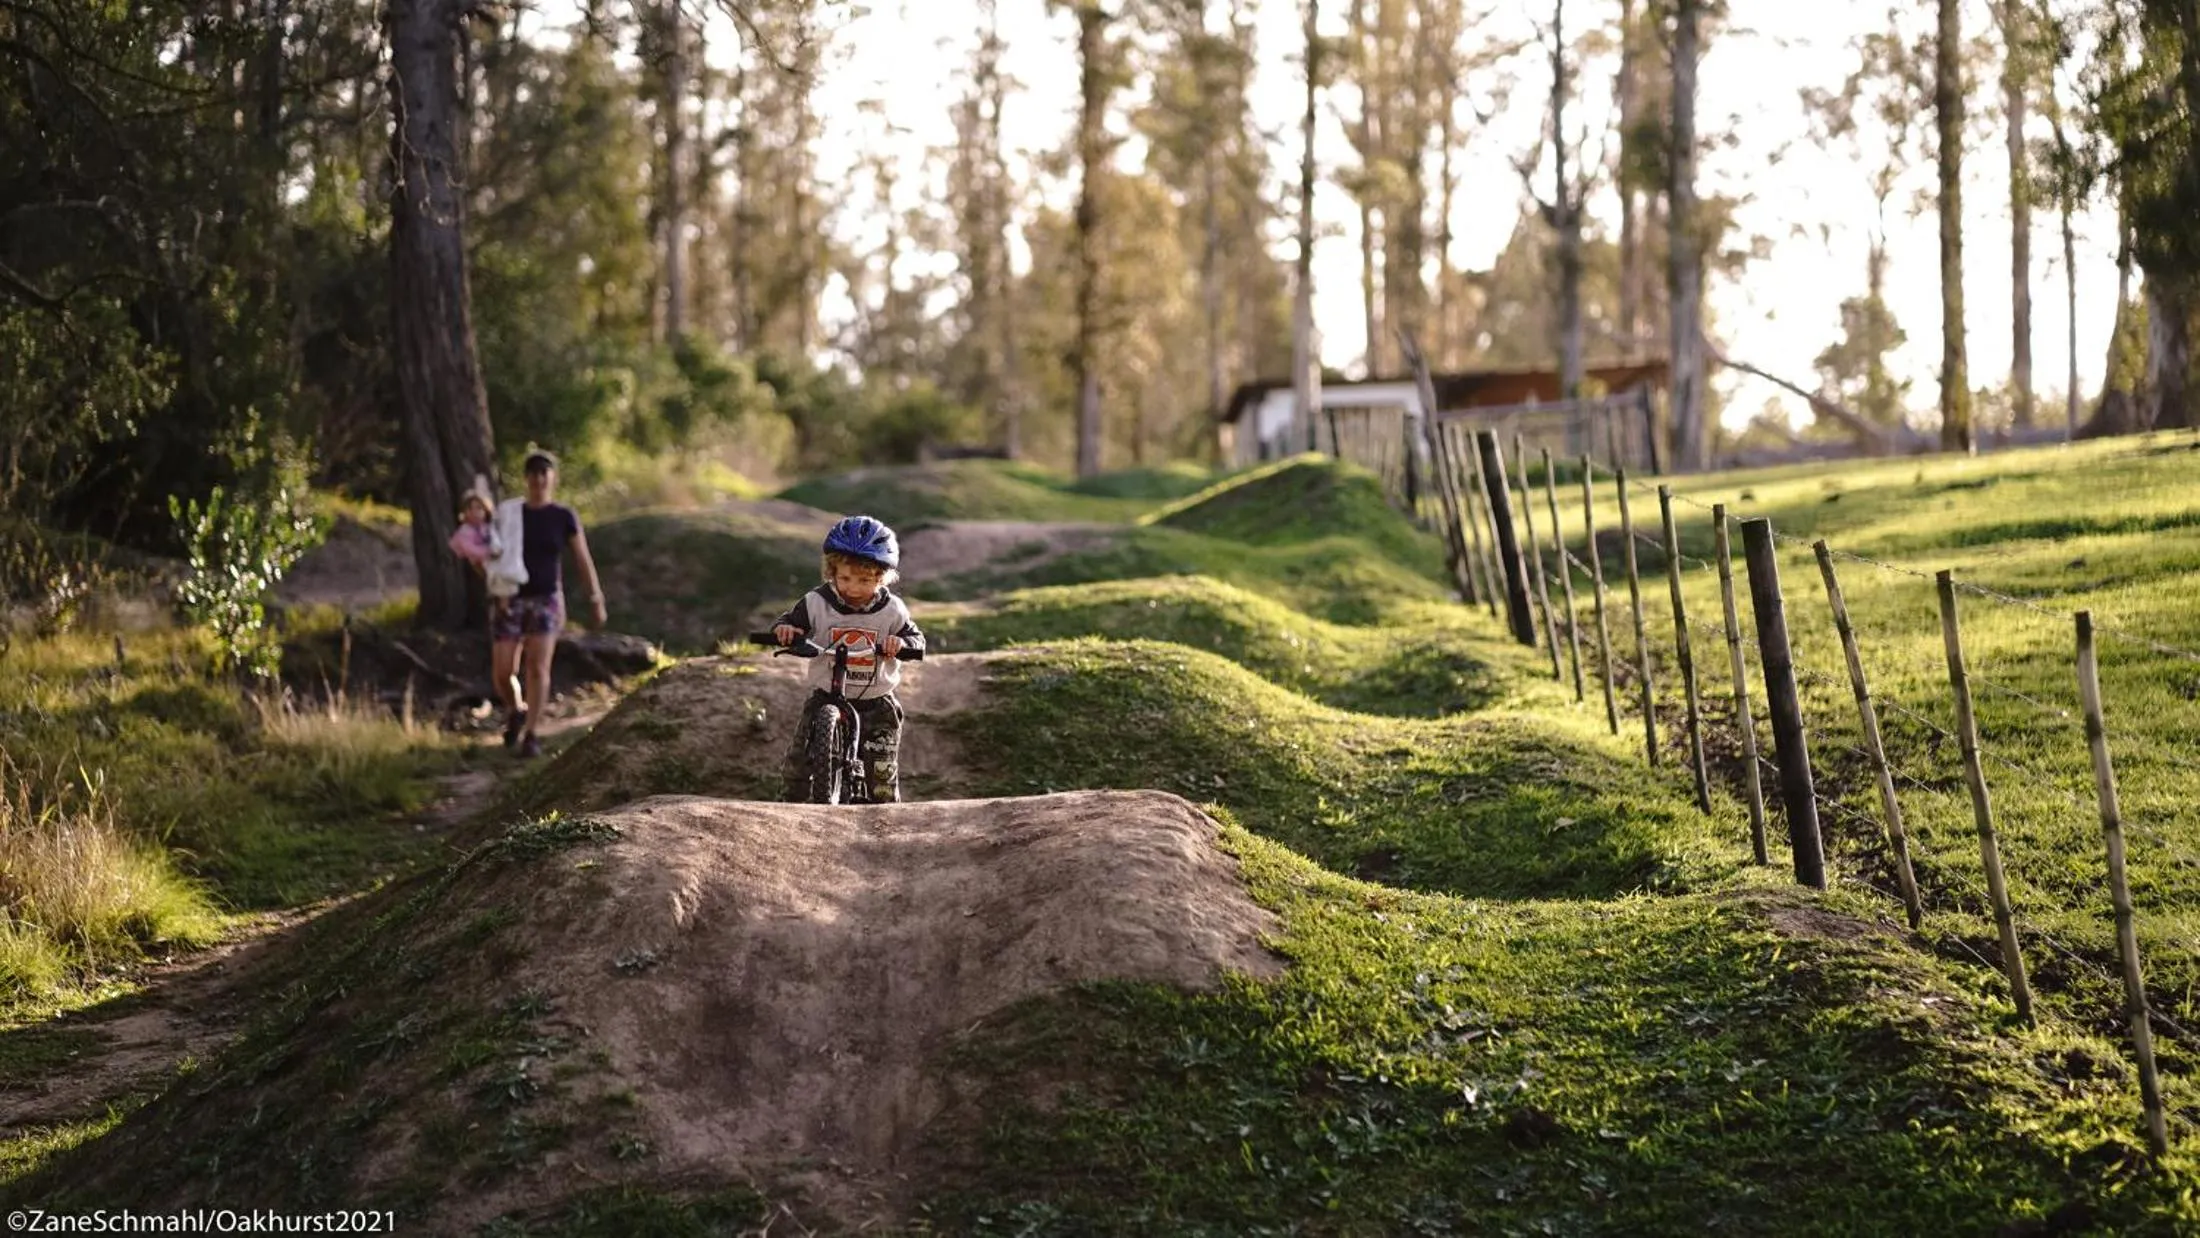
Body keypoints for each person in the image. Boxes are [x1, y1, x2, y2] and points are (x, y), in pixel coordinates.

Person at [769, 515, 925, 802]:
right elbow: (789, 623)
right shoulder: (816, 602)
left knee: (881, 775)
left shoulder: (893, 610)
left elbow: (916, 639)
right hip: (826, 695)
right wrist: (787, 630)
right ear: (831, 572)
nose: (853, 588)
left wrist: (900, 643)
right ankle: (786, 814)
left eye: (864, 580)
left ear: (882, 576)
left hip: (876, 703)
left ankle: (885, 825)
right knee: (798, 767)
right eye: (845, 578)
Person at [495, 450, 607, 759]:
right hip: (512, 598)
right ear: (526, 478)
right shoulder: (511, 515)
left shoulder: (563, 516)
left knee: (537, 666)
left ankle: (531, 733)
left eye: (544, 473)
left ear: (553, 478)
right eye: (533, 473)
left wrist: (594, 597)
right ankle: (516, 709)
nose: (538, 479)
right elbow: (492, 554)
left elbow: (582, 559)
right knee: (504, 670)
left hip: (547, 599)